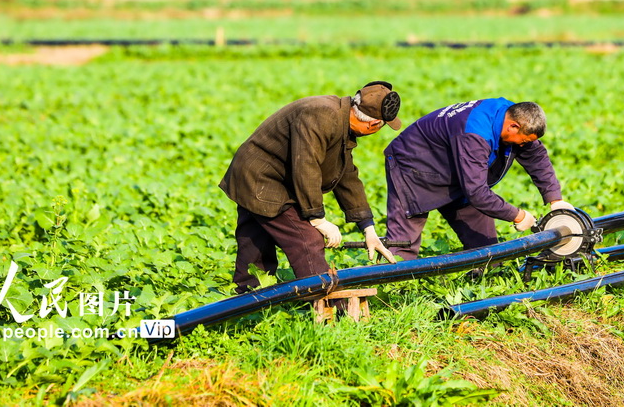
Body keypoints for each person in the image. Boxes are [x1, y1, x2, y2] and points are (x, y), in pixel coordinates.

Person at [219, 81, 402, 294]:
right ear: (373, 125)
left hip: (263, 175)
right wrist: (318, 219)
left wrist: (368, 229)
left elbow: (346, 176)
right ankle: (328, 306)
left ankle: (248, 300)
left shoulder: (341, 118)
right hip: (263, 179)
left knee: (255, 242)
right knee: (307, 239)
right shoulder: (321, 115)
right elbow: (305, 166)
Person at [383, 98, 571, 260]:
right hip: (413, 165)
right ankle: (392, 292)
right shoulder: (475, 133)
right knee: (403, 244)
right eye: (523, 140)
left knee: (486, 251)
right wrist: (518, 215)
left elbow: (536, 157)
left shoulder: (515, 116)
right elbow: (477, 192)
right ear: (514, 126)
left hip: (458, 171)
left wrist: (556, 200)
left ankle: (478, 285)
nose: (523, 145)